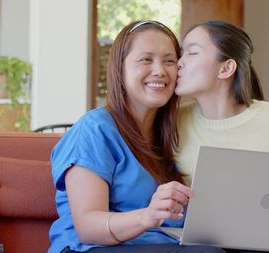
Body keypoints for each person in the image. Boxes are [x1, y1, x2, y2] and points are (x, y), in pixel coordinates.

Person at [48, 20, 226, 253]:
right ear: (119, 68)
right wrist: (148, 216)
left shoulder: (170, 133)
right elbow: (88, 227)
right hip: (91, 248)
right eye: (146, 59)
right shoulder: (95, 128)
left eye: (170, 61)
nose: (160, 71)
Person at [174, 20, 269, 184]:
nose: (179, 63)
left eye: (193, 53)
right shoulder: (173, 121)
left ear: (226, 68)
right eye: (181, 54)